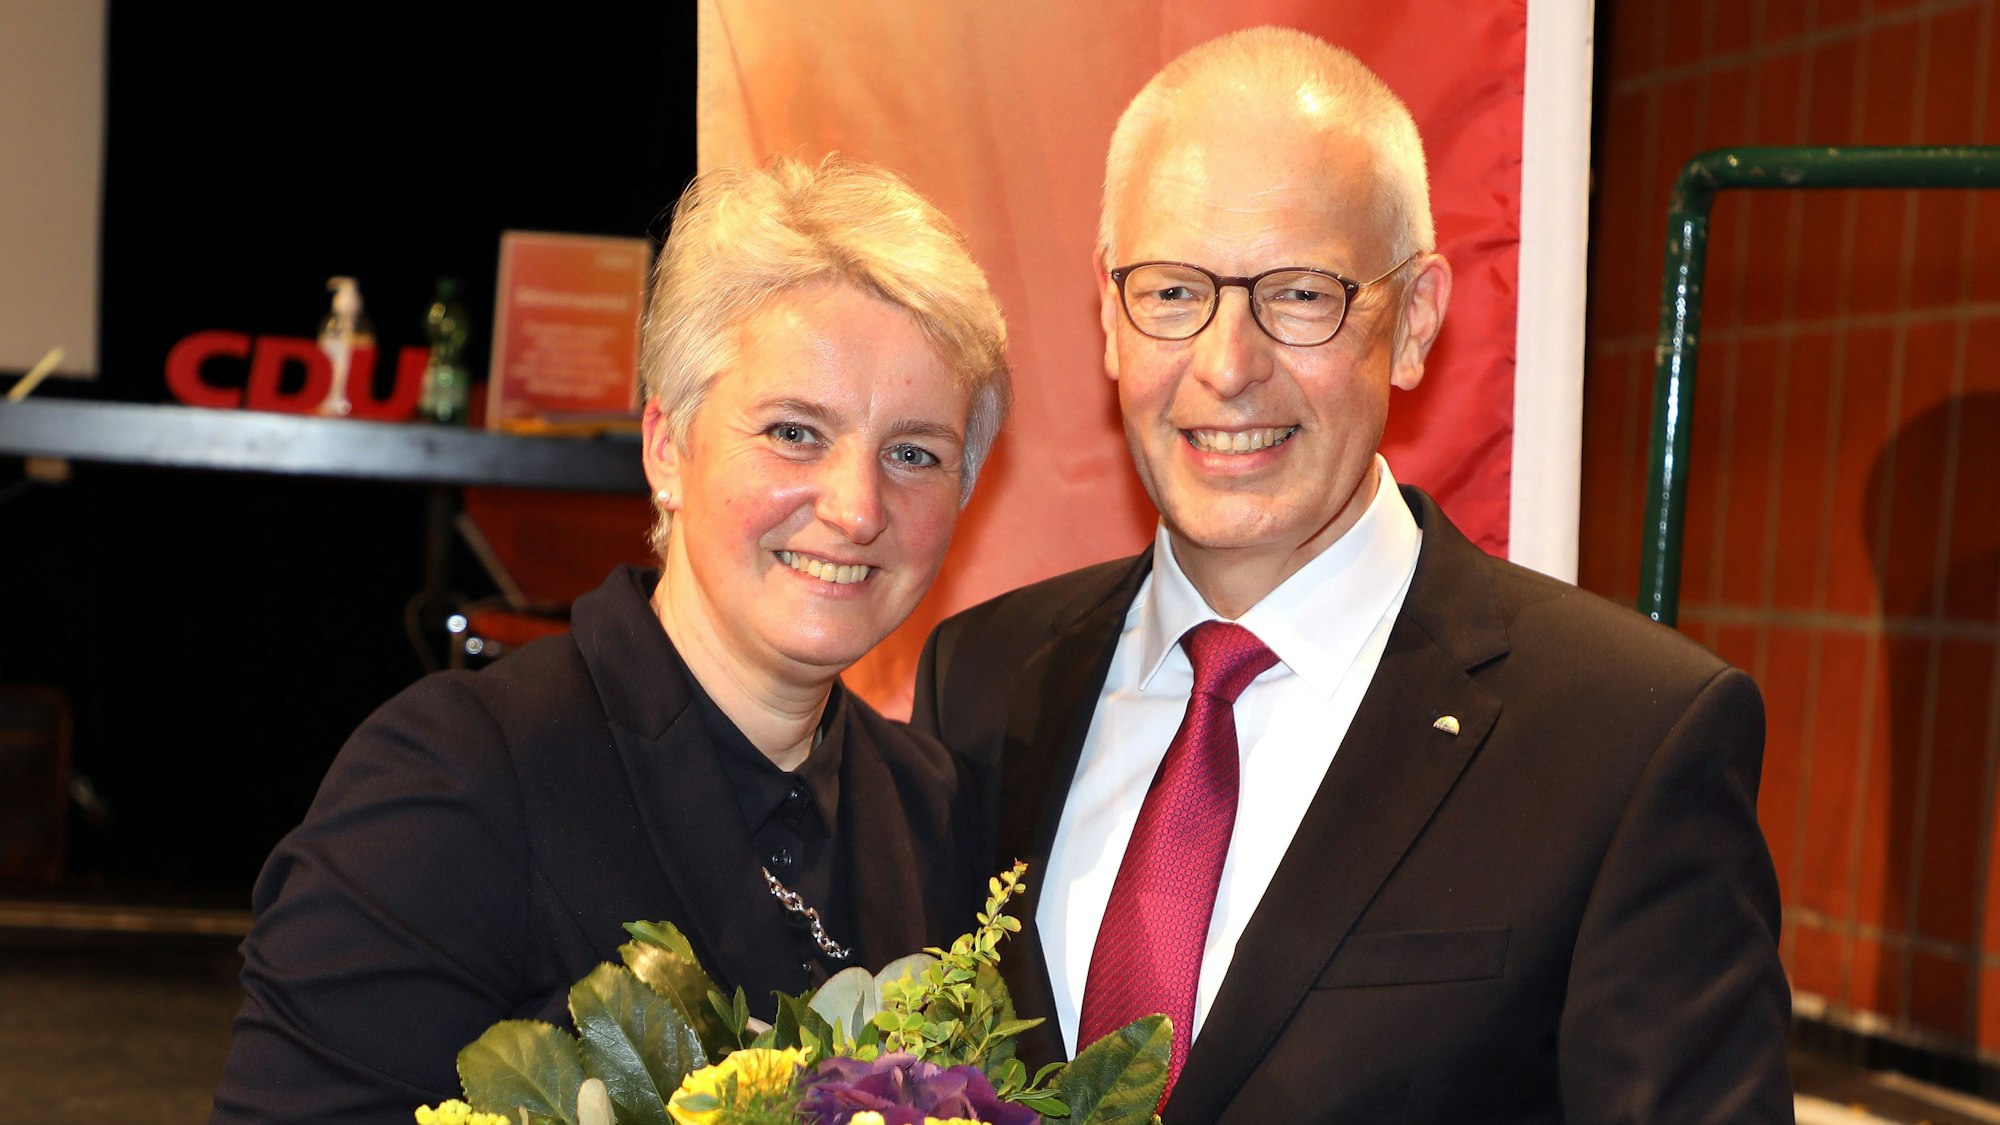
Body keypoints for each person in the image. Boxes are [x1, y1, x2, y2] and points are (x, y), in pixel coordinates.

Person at [912, 27, 1792, 1123]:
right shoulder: (981, 680)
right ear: (1107, 313)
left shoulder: (1623, 738)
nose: (1227, 367)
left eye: (1299, 295)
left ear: (1413, 319)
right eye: (1174, 292)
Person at [213, 154, 1011, 1123]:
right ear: (664, 447)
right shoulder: (456, 780)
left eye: (913, 453)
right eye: (795, 432)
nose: (855, 508)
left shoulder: (936, 813)